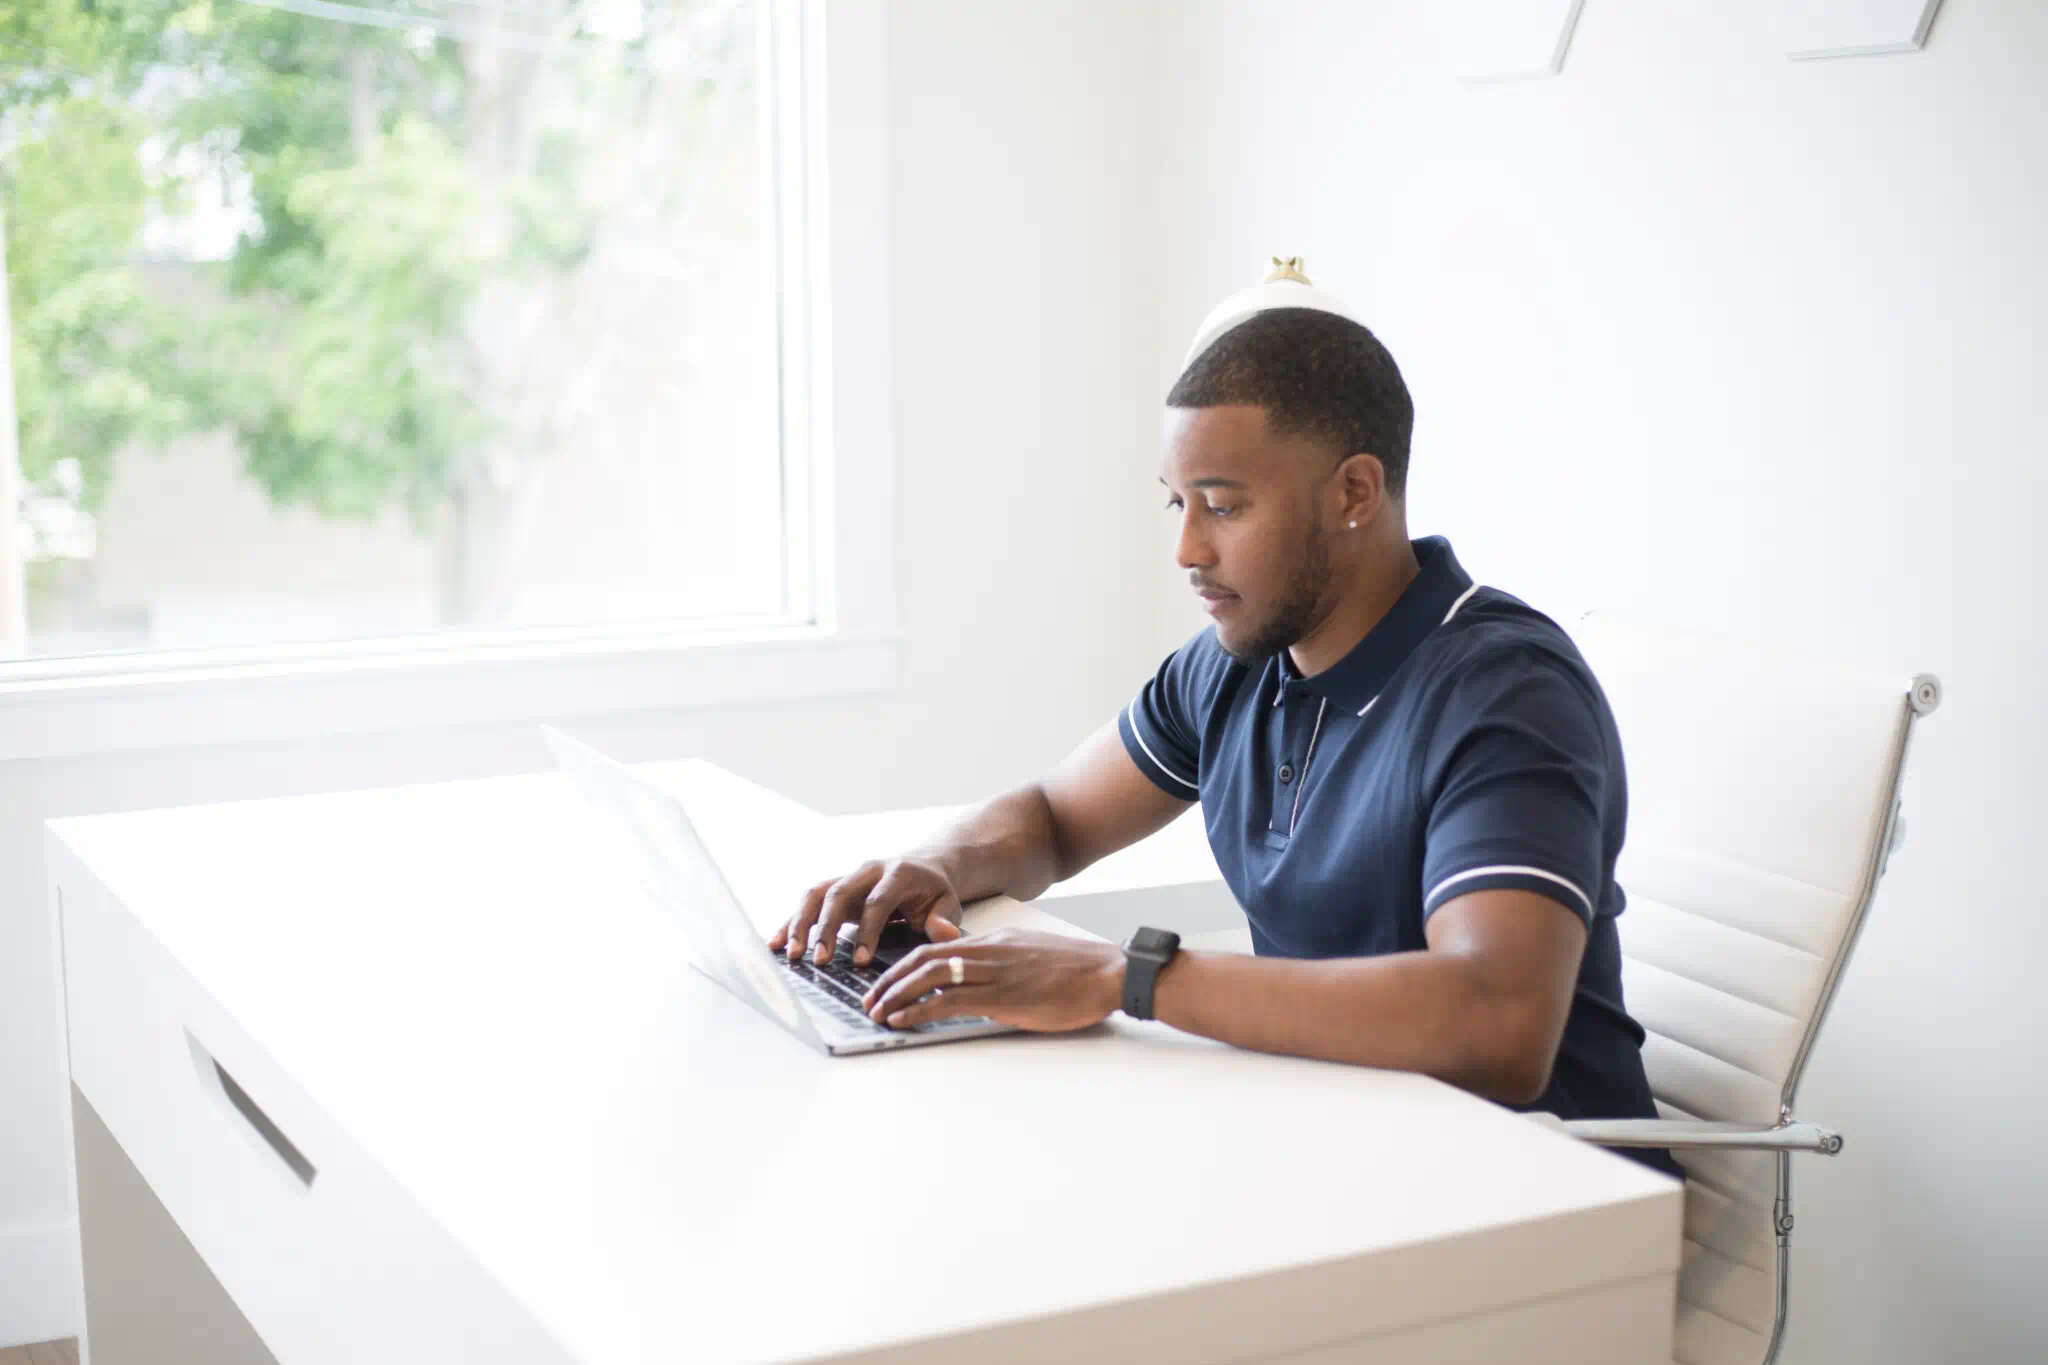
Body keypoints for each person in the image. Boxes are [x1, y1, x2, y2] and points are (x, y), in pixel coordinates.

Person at [770, 270, 1678, 1176]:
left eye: (1225, 505)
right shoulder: (1236, 663)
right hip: (1341, 1154)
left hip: (1549, 1194)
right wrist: (938, 862)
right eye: (1178, 503)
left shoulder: (1506, 694)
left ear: (1354, 492)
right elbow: (1053, 817)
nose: (1187, 549)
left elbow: (1498, 1020)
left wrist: (1125, 978)